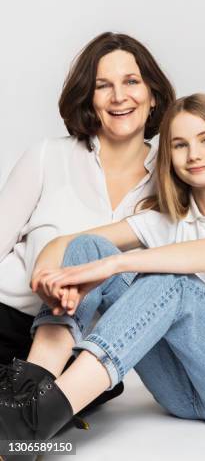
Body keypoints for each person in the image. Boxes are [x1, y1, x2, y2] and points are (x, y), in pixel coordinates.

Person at [0, 94, 205, 453]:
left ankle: (34, 422)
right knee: (88, 248)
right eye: (180, 145)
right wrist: (47, 272)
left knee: (171, 283)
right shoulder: (165, 219)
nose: (194, 154)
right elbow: (72, 244)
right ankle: (28, 392)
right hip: (180, 391)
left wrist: (118, 263)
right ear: (169, 156)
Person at [0, 32, 175, 406]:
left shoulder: (172, 186)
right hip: (8, 319)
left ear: (153, 95)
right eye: (103, 86)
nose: (119, 97)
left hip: (84, 352)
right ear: (88, 98)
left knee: (92, 389)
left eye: (131, 81)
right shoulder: (48, 157)